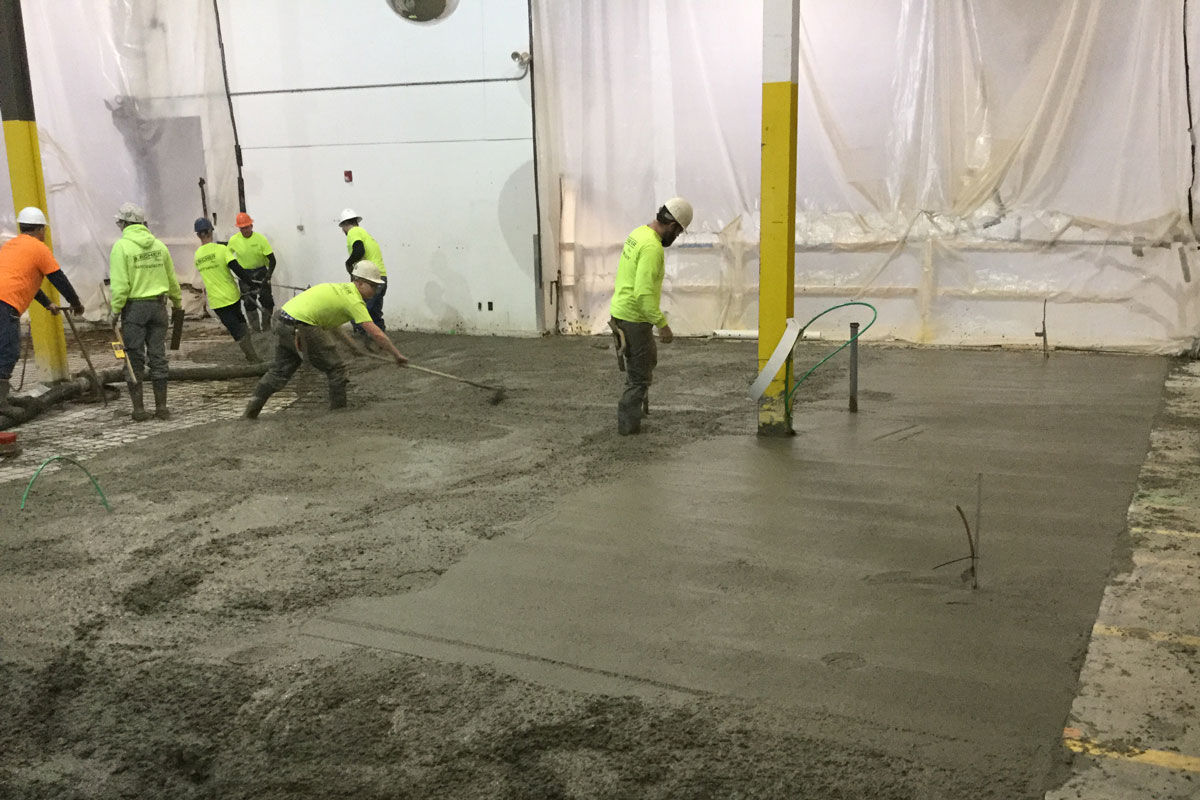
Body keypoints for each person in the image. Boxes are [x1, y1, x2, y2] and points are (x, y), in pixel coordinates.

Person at [243, 261, 407, 419]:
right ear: (360, 283)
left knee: (279, 372)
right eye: (374, 286)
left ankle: (251, 411)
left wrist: (352, 346)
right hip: (302, 326)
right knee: (336, 369)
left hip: (283, 322)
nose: (375, 291)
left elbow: (332, 326)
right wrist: (396, 355)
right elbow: (376, 333)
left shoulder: (338, 289)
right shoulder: (354, 300)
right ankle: (338, 415)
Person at [608, 196, 692, 435]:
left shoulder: (638, 234)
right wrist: (662, 325)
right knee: (640, 376)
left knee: (642, 364)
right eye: (677, 233)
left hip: (621, 313)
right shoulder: (652, 248)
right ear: (673, 225)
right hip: (635, 319)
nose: (674, 239)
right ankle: (628, 426)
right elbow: (643, 294)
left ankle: (636, 413)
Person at [0, 206, 85, 411]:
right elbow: (58, 278)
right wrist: (76, 303)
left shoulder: (11, 246)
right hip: (6, 303)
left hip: (3, 300)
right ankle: (1, 403)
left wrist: (48, 304)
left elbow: (27, 281)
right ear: (40, 229)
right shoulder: (39, 248)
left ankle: (3, 398)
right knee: (8, 353)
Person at [108, 202, 182, 421]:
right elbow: (171, 279)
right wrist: (177, 303)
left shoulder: (121, 248)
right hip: (159, 307)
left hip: (135, 310)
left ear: (124, 223)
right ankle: (162, 409)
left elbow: (121, 286)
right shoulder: (159, 246)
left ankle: (139, 410)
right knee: (158, 357)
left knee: (133, 358)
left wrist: (114, 311)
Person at [192, 218, 260, 362]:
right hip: (232, 295)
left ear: (198, 235)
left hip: (217, 301)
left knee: (236, 329)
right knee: (241, 322)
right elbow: (238, 270)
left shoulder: (197, 255)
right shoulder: (222, 250)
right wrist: (253, 284)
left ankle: (252, 356)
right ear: (211, 231)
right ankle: (253, 358)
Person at [338, 208, 388, 335]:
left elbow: (359, 250)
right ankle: (381, 345)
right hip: (381, 278)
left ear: (344, 225)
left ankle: (363, 346)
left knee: (358, 314)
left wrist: (348, 264)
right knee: (375, 315)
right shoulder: (365, 233)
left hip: (369, 279)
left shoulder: (353, 233)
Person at [226, 211, 277, 332]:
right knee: (249, 303)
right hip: (245, 274)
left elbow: (272, 260)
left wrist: (268, 276)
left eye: (247, 227)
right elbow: (226, 257)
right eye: (242, 228)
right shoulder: (234, 240)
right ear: (239, 228)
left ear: (251, 226)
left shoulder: (260, 239)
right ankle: (255, 330)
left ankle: (266, 328)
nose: (245, 230)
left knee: (267, 301)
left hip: (261, 272)